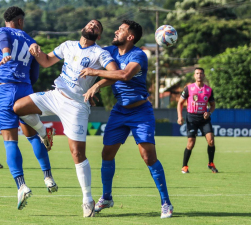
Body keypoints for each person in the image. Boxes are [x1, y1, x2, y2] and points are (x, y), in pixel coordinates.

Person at [13, 20, 117, 217]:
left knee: (77, 153)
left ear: (99, 35)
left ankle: (87, 199)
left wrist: (96, 83)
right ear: (84, 27)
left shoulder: (100, 53)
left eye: (97, 27)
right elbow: (45, 61)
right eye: (91, 24)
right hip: (55, 95)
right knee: (18, 107)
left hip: (76, 105)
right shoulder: (67, 45)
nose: (93, 26)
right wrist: (35, 50)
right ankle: (44, 132)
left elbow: (114, 73)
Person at [80, 20, 173, 219]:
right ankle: (106, 197)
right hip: (119, 111)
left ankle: (166, 202)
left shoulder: (138, 54)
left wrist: (95, 76)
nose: (116, 31)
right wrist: (96, 85)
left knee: (148, 157)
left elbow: (124, 75)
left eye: (120, 30)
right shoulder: (110, 52)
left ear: (130, 37)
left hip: (141, 112)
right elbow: (94, 57)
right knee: (106, 154)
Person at [0, 6, 58, 210]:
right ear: (20, 21)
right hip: (26, 91)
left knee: (10, 141)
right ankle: (48, 178)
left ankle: (22, 186)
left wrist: (7, 54)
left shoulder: (2, 30)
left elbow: (3, 41)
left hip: (7, 90)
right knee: (32, 136)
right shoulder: (30, 40)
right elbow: (35, 73)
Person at [177, 68, 218, 174]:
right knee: (191, 143)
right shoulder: (188, 88)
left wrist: (209, 112)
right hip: (191, 118)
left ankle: (211, 163)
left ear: (204, 75)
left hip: (204, 119)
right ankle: (184, 166)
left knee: (211, 141)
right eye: (197, 73)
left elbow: (213, 105)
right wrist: (179, 117)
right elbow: (180, 103)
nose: (199, 75)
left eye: (201, 73)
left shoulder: (208, 90)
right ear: (194, 76)